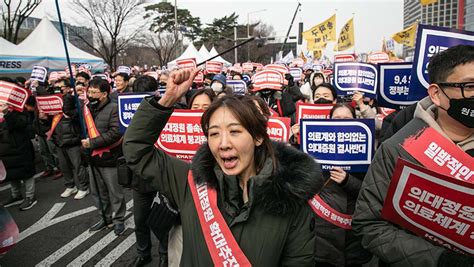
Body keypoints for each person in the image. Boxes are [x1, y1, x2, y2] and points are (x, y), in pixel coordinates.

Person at [123, 68, 324, 266]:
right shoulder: (190, 181)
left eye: (235, 131)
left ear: (258, 137)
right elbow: (136, 149)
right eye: (214, 133)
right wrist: (168, 99)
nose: (223, 143)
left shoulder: (291, 201)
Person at [353, 45, 474, 266]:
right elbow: (368, 225)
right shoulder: (397, 148)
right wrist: (439, 260)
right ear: (436, 94)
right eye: (469, 86)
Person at [313, 103, 372, 266]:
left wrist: (348, 181)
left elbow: (372, 192)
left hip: (353, 237)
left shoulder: (366, 151)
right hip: (323, 236)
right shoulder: (312, 150)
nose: (341, 122)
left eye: (347, 119)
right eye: (336, 118)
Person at [130, 75, 168, 267]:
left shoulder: (170, 111)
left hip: (163, 173)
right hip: (141, 175)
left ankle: (164, 253)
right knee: (140, 219)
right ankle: (143, 252)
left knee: (165, 218)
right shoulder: (128, 112)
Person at [82, 78, 126, 235]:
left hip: (110, 158)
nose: (91, 95)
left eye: (94, 92)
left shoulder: (114, 108)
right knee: (97, 192)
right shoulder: (87, 108)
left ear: (104, 94)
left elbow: (115, 133)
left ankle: (119, 219)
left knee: (115, 192)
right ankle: (105, 218)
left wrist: (92, 143)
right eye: (90, 91)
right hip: (92, 159)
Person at [50, 78, 90, 199]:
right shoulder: (51, 102)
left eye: (61, 87)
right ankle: (70, 186)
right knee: (64, 166)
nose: (59, 89)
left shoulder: (76, 101)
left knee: (77, 165)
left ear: (68, 88)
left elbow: (81, 117)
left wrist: (69, 112)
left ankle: (84, 187)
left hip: (73, 139)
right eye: (56, 87)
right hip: (59, 139)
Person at [0, 98, 37, 210]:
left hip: (19, 146)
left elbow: (19, 124)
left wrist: (7, 113)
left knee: (26, 173)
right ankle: (16, 195)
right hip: (5, 148)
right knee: (10, 173)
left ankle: (30, 196)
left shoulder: (19, 109)